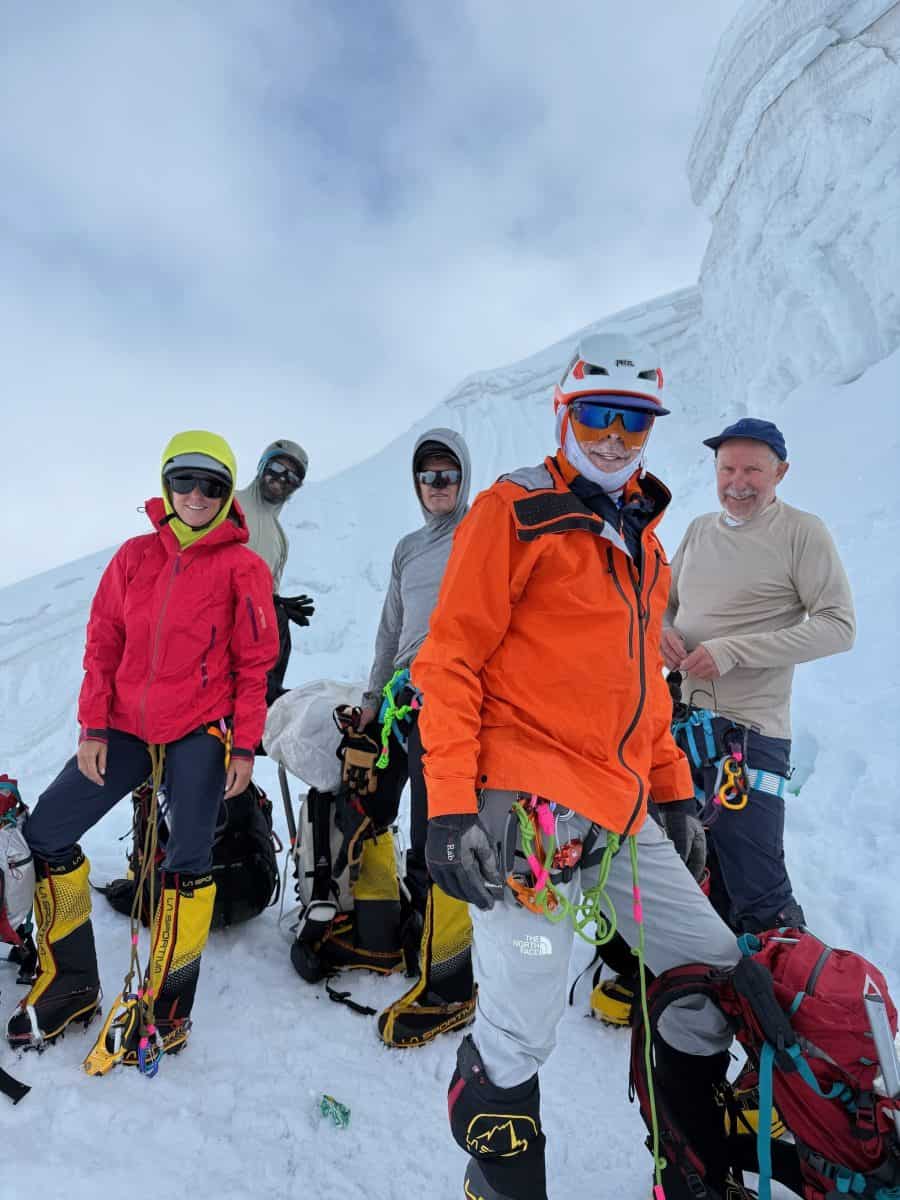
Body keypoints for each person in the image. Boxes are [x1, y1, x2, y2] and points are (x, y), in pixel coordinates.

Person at [412, 333, 747, 1200]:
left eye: (632, 424)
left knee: (707, 976)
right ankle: (502, 1181)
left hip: (624, 812)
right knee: (521, 1028)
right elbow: (448, 663)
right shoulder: (512, 511)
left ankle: (693, 1175)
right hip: (531, 817)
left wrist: (672, 791)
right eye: (596, 415)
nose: (612, 437)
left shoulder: (648, 543)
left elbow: (646, 691)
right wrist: (450, 806)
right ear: (564, 415)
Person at [7, 431, 278, 1070]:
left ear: (226, 493)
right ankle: (74, 982)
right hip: (125, 725)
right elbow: (103, 644)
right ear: (166, 484)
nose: (196, 495)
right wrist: (93, 728)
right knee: (45, 830)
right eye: (184, 480)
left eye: (212, 485)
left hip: (198, 729)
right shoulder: (133, 557)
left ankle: (167, 1010)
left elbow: (254, 664)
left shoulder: (244, 568)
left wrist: (243, 747)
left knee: (185, 861)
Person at [660, 418, 855, 933]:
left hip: (750, 737)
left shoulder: (801, 532)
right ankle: (703, 991)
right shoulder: (701, 529)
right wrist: (658, 630)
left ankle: (779, 998)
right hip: (679, 729)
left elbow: (839, 627)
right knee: (686, 873)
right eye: (727, 468)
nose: (737, 482)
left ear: (781, 472)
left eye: (752, 469)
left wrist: (733, 652)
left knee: (757, 886)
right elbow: (661, 602)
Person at [356, 429, 477, 1048]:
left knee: (439, 827)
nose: (438, 487)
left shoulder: (480, 532)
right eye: (428, 478)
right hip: (403, 696)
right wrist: (373, 701)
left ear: (464, 478)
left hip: (449, 696)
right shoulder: (407, 549)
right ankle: (396, 934)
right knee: (377, 809)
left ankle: (451, 982)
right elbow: (389, 629)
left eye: (448, 476)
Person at [236, 438, 313, 705]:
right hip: (215, 623)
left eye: (291, 476)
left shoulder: (280, 539)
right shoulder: (229, 504)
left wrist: (274, 602)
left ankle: (266, 698)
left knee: (278, 619)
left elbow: (268, 595)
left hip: (250, 633)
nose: (281, 479)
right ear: (262, 467)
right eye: (276, 469)